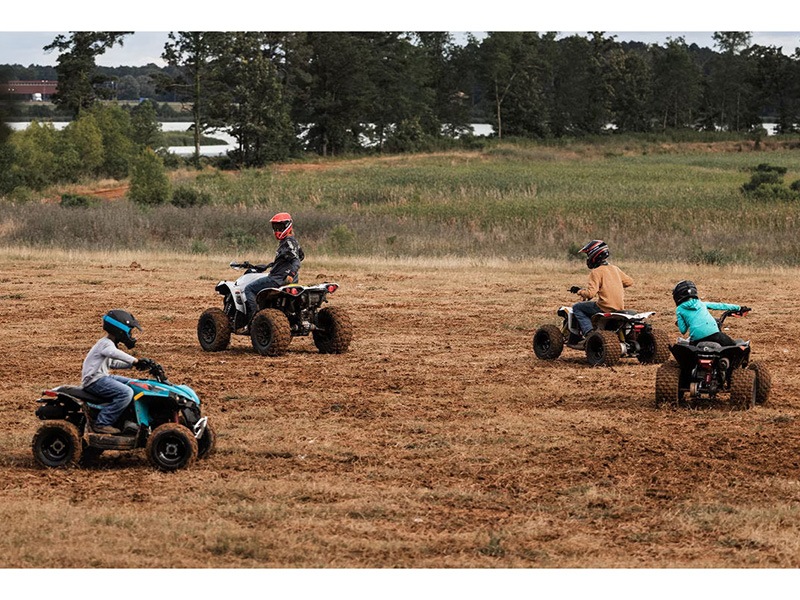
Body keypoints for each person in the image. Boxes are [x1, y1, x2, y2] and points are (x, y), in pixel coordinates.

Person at [81, 309, 148, 435]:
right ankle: (102, 423)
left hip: (102, 377)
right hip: (94, 381)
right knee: (126, 392)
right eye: (130, 331)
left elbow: (113, 363)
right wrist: (135, 361)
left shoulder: (106, 344)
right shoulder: (106, 345)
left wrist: (133, 366)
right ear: (120, 330)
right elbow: (114, 353)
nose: (131, 335)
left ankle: (128, 419)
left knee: (133, 383)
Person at [243, 212, 305, 320]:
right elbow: (301, 256)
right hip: (289, 280)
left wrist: (290, 273)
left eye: (280, 227)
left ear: (288, 226)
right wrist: (277, 265)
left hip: (277, 279)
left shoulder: (287, 242)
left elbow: (296, 261)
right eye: (275, 227)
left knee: (249, 289)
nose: (277, 230)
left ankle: (254, 318)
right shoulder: (293, 242)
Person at [570, 240, 634, 338]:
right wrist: (613, 284)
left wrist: (579, 291)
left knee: (577, 307)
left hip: (604, 307)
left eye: (588, 256)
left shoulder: (596, 272)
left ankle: (589, 332)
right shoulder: (615, 268)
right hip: (619, 307)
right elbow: (629, 282)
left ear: (594, 255)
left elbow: (590, 294)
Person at [672, 280, 748, 346]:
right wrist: (739, 308)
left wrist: (681, 322)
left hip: (696, 339)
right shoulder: (700, 303)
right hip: (714, 334)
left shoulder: (679, 309)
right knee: (734, 346)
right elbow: (720, 306)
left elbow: (683, 331)